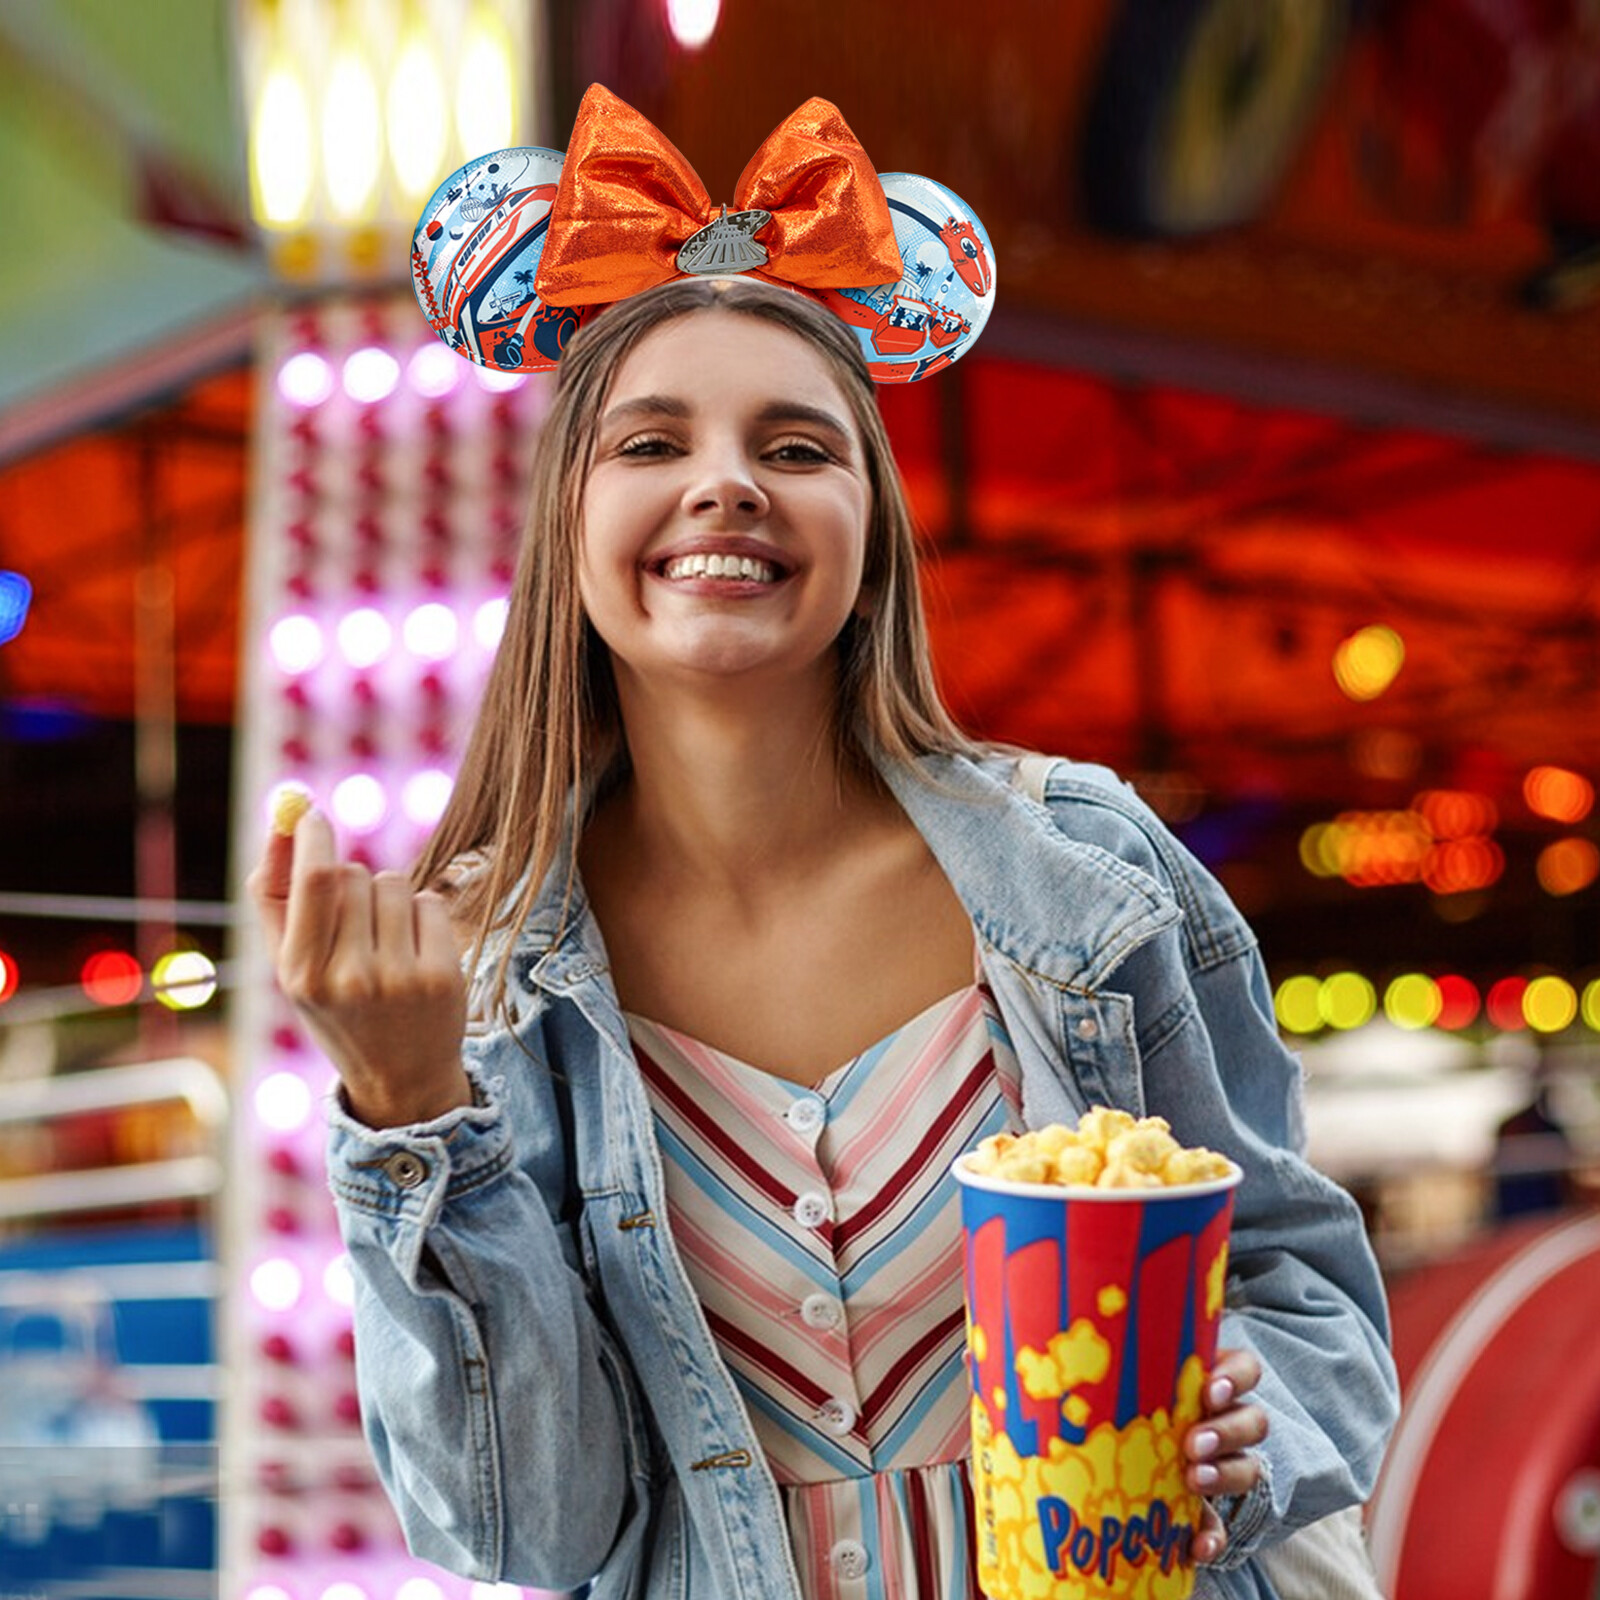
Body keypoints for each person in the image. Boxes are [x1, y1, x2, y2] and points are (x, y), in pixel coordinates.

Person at [250, 271, 1396, 1598]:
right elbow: (534, 1529)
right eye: (652, 442)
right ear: (566, 522)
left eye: (797, 448)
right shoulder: (490, 977)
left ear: (872, 533)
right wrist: (412, 1105)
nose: (727, 484)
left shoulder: (1086, 869)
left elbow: (1306, 1293)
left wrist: (1254, 1426)